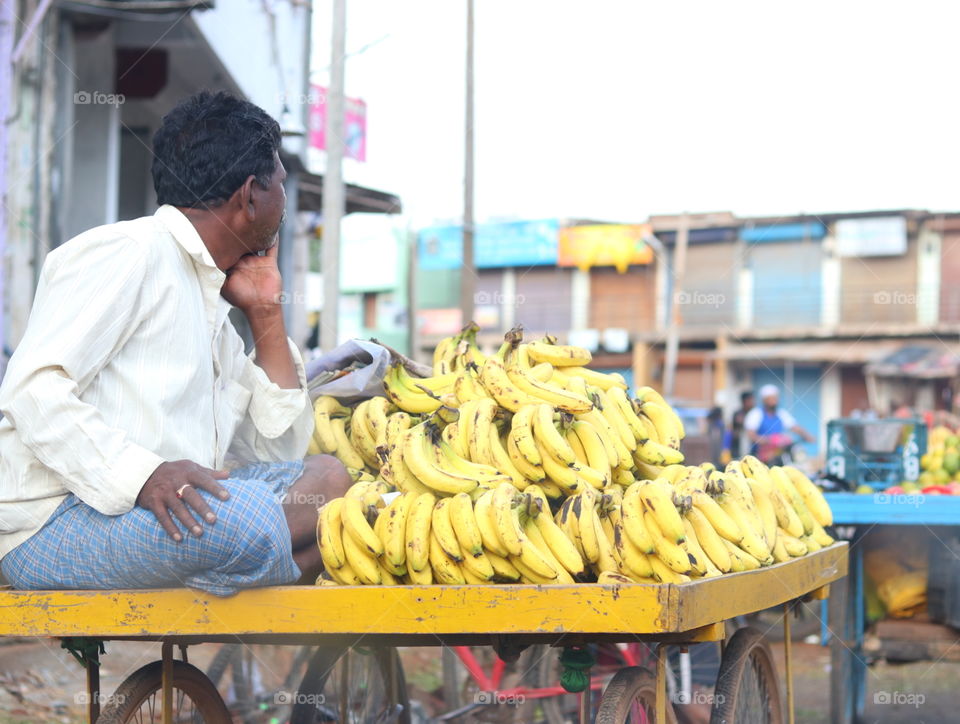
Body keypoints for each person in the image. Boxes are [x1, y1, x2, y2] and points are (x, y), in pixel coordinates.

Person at [0, 91, 351, 597]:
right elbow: (32, 389)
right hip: (54, 523)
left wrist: (265, 311)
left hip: (166, 521)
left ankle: (215, 580)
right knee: (260, 522)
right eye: (279, 183)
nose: (284, 200)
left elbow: (273, 451)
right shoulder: (126, 252)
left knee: (328, 482)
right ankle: (233, 579)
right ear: (251, 196)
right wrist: (145, 476)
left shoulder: (211, 297)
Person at [743, 384, 815, 464]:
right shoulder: (755, 413)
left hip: (777, 455)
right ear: (764, 400)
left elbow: (795, 427)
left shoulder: (781, 413)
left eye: (775, 398)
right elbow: (751, 434)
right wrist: (767, 441)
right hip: (758, 457)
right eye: (771, 398)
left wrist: (807, 436)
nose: (774, 401)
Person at [728, 390, 754, 459]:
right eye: (750, 400)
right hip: (738, 446)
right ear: (744, 401)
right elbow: (733, 429)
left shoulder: (755, 413)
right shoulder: (738, 413)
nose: (752, 402)